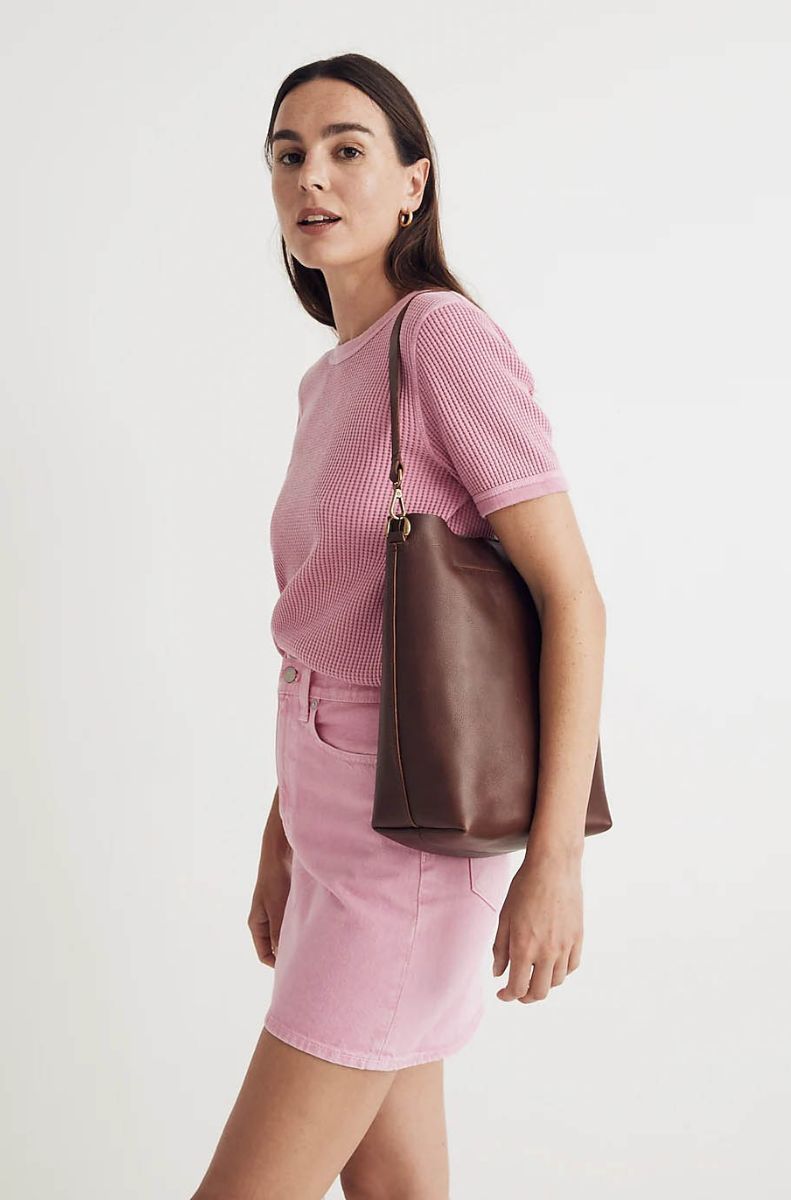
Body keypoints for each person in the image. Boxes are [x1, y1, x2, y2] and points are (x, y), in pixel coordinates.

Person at [190, 52, 606, 1200]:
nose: (310, 178)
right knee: (397, 1194)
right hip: (334, 818)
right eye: (288, 155)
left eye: (345, 149)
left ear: (412, 183)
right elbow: (344, 624)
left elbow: (572, 598)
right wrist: (283, 832)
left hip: (408, 851)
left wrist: (554, 862)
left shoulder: (438, 340)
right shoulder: (335, 376)